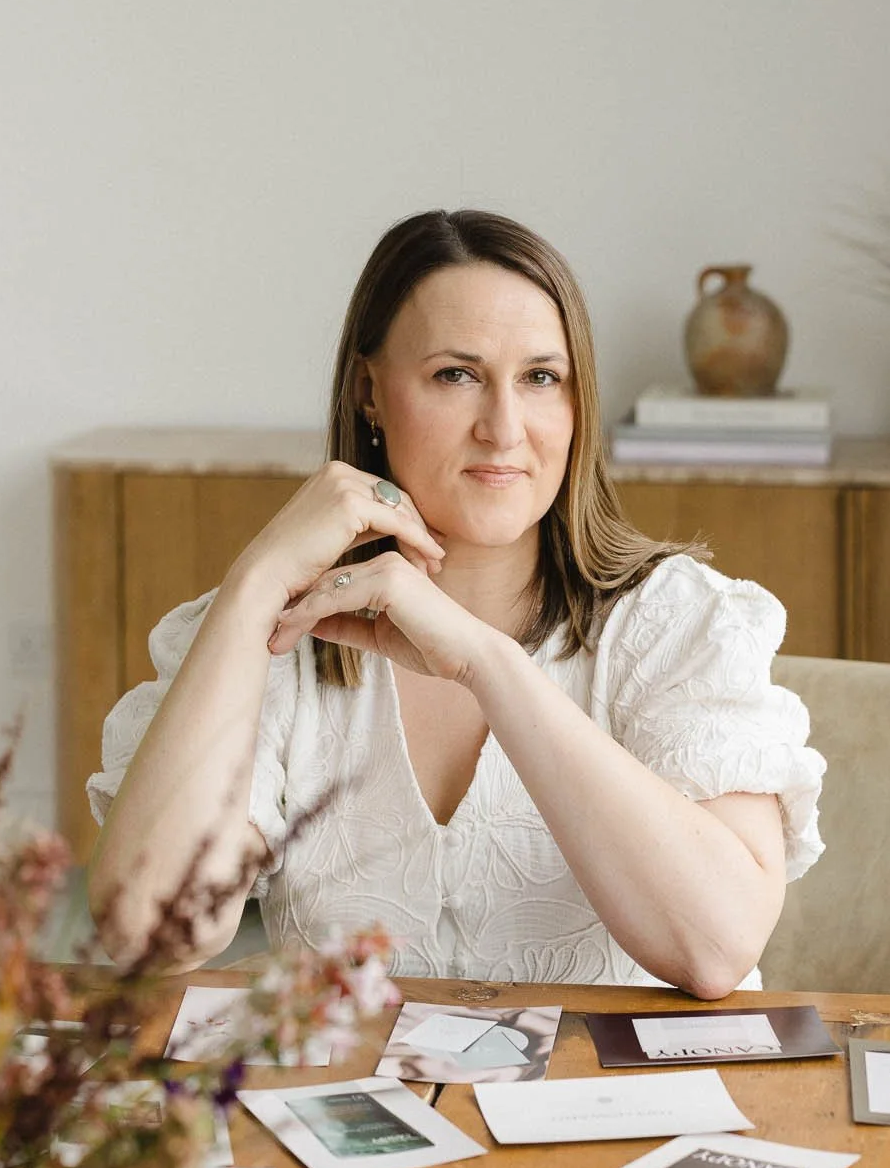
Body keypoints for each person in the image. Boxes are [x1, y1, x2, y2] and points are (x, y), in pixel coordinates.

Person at [86, 209, 824, 992]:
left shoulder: (680, 622)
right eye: (456, 375)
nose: (505, 429)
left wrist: (484, 663)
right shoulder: (278, 636)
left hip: (627, 1116)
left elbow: (716, 950)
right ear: (370, 392)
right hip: (355, 1108)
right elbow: (147, 935)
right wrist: (255, 584)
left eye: (541, 378)